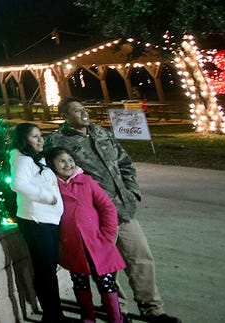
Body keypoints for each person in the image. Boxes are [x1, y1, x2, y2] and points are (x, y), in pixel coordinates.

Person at [47, 97, 180, 323]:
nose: (83, 113)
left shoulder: (101, 132)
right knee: (107, 265)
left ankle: (153, 309)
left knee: (141, 258)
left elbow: (124, 162)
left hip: (123, 209)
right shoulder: (58, 141)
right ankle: (118, 310)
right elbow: (55, 175)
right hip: (94, 216)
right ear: (66, 117)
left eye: (83, 109)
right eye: (76, 111)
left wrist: (131, 191)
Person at [46, 147, 125, 323]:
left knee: (106, 281)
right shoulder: (51, 186)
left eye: (70, 160)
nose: (68, 164)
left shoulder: (86, 182)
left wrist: (107, 233)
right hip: (72, 244)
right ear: (52, 165)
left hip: (97, 242)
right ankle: (88, 316)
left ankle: (116, 317)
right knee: (80, 281)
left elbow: (107, 207)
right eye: (62, 161)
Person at [11, 123, 65, 322]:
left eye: (41, 135)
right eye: (34, 137)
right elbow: (17, 184)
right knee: (45, 270)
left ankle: (55, 313)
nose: (40, 139)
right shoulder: (24, 159)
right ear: (24, 140)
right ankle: (52, 316)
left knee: (49, 269)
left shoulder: (36, 159)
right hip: (36, 221)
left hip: (47, 220)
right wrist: (46, 197)